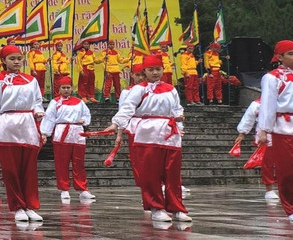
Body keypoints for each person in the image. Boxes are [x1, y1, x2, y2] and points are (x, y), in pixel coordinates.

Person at [107, 54, 189, 226]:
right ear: (144, 71)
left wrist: (180, 123)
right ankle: (156, 208)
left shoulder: (171, 89)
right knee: (151, 172)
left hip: (169, 133)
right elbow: (127, 108)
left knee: (173, 174)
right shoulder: (139, 89)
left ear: (163, 70)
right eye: (151, 70)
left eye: (158, 69)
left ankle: (177, 208)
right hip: (147, 133)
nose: (155, 73)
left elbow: (177, 108)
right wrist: (116, 124)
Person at [0, 44, 46, 226]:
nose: (16, 62)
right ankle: (17, 207)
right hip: (7, 125)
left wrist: (38, 112)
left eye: (19, 58)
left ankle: (30, 205)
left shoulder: (31, 80)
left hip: (28, 125)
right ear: (3, 61)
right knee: (11, 169)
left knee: (29, 168)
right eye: (12, 59)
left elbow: (38, 101)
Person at [256, 40, 293, 223]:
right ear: (280, 58)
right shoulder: (273, 77)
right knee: (289, 170)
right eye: (291, 54)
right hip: (285, 127)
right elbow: (267, 105)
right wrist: (264, 130)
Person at [41, 75, 92, 204]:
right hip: (61, 132)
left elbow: (87, 115)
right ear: (59, 89)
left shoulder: (79, 102)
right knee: (61, 162)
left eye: (68, 87)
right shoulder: (55, 102)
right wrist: (45, 133)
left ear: (72, 88)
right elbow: (49, 118)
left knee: (79, 163)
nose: (66, 90)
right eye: (63, 88)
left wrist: (84, 121)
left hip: (77, 133)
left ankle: (82, 189)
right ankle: (64, 189)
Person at [235, 97, 278, 204]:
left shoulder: (285, 100)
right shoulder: (257, 103)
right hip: (266, 136)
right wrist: (242, 133)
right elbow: (248, 118)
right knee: (267, 163)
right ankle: (269, 189)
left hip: (285, 134)